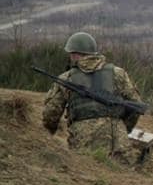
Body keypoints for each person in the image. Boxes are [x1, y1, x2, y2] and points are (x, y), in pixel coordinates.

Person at [42, 32, 143, 163]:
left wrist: (49, 135)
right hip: (118, 141)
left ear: (74, 54)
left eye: (71, 54)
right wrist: (124, 127)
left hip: (83, 142)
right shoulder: (118, 73)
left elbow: (51, 114)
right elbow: (136, 105)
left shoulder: (66, 79)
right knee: (122, 178)